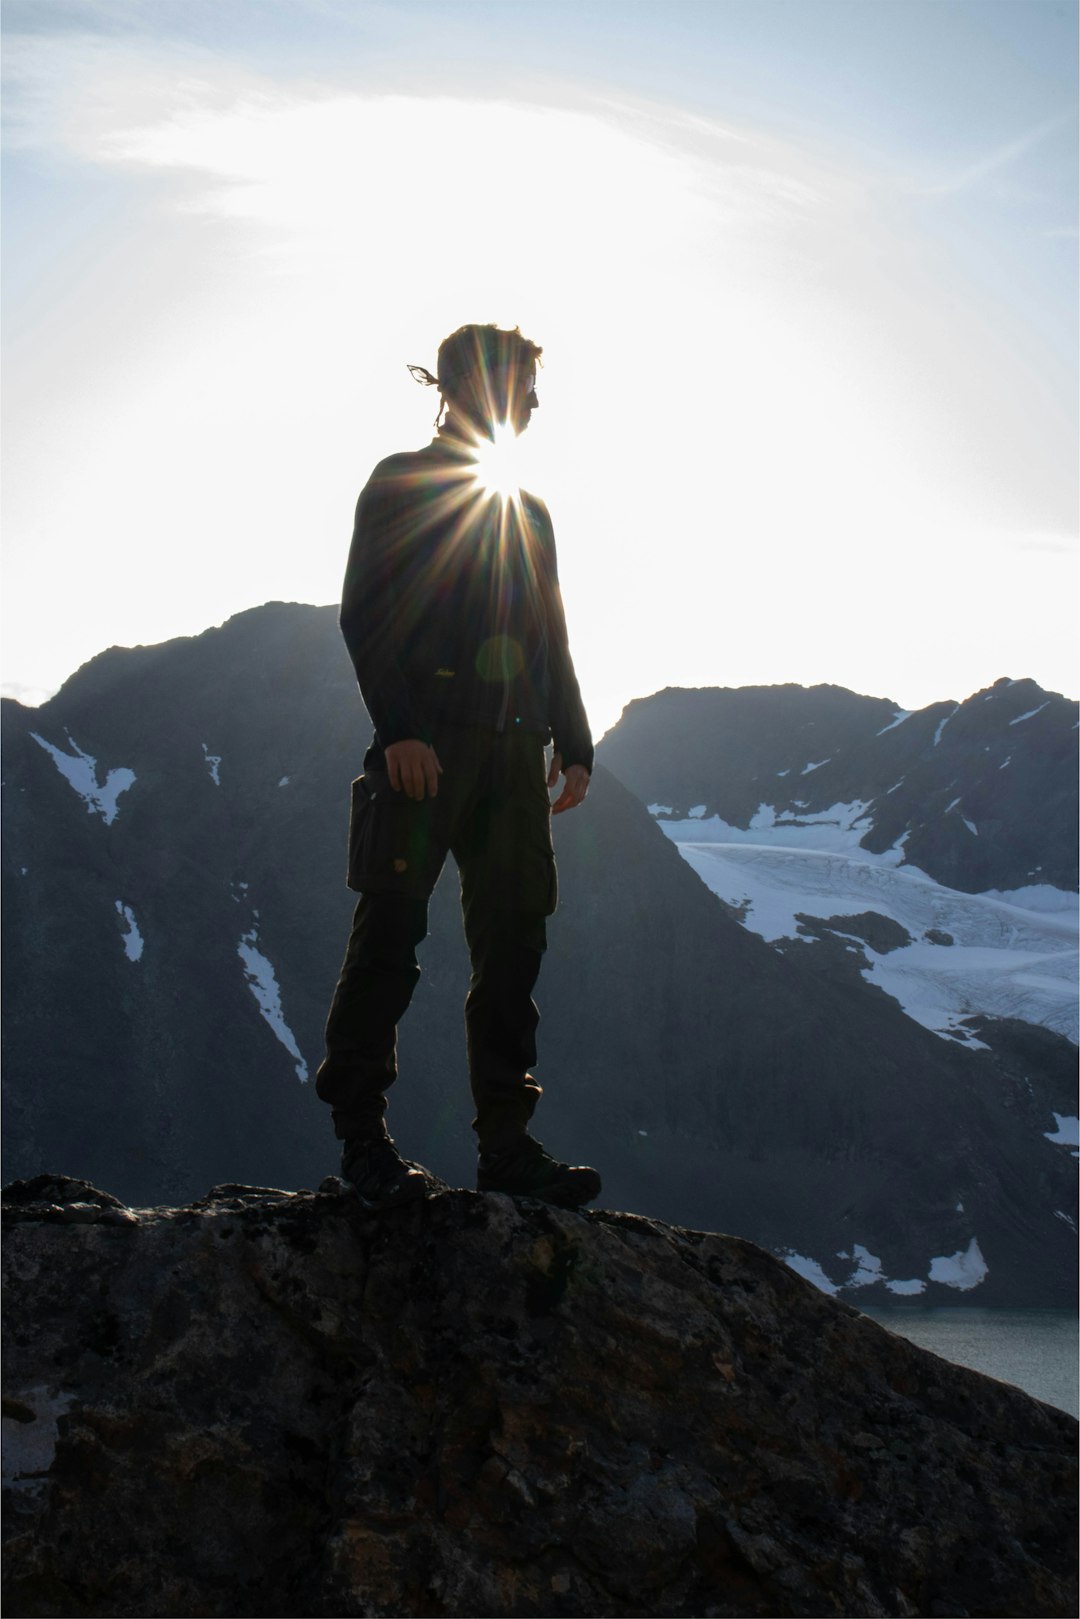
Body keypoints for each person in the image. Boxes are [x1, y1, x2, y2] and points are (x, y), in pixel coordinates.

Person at [315, 323, 601, 1212]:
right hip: (425, 749)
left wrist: (576, 738)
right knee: (390, 941)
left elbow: (549, 631)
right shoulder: (399, 482)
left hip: (516, 754)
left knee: (514, 944)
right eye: (524, 387)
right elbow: (365, 612)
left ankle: (506, 1147)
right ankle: (363, 1140)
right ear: (473, 386)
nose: (536, 404)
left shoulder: (531, 508)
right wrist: (399, 729)